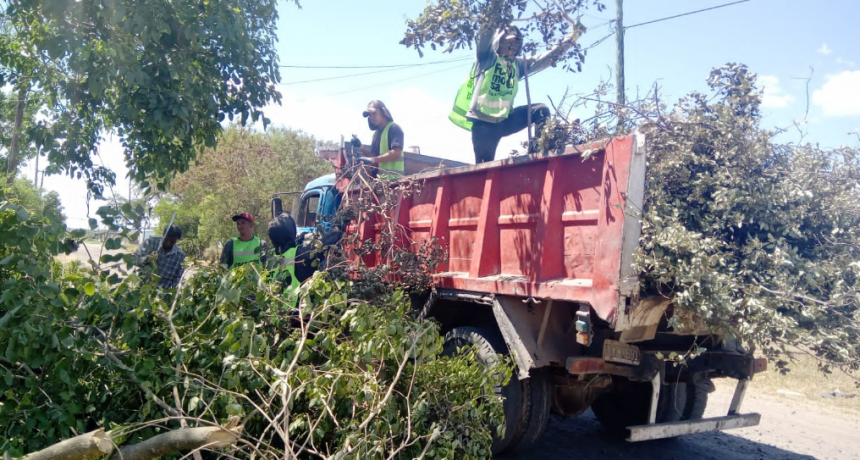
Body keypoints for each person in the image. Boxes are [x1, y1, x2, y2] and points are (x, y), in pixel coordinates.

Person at [449, 24, 578, 163]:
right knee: (484, 168)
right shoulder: (486, 57)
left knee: (540, 110)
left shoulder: (517, 65)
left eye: (515, 44)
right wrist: (494, 14)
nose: (511, 47)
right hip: (483, 125)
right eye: (508, 42)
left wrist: (573, 37)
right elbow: (485, 36)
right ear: (499, 41)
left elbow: (546, 58)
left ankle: (538, 154)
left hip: (505, 120)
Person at [352, 100, 404, 179]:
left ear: (383, 112)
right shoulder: (376, 135)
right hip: (377, 183)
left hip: (393, 183)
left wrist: (373, 159)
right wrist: (361, 147)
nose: (372, 117)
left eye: (374, 113)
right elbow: (375, 159)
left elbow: (396, 153)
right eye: (370, 115)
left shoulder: (394, 128)